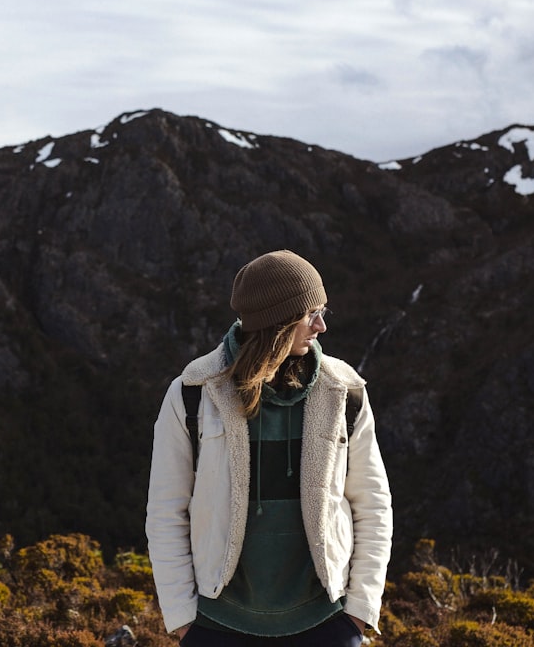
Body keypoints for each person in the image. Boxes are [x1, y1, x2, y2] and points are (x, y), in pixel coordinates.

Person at [146, 250, 392, 646]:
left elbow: (372, 505)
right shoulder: (193, 393)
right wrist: (182, 619)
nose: (322, 326)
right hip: (217, 624)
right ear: (278, 321)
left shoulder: (344, 392)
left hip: (325, 622)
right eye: (311, 313)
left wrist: (359, 613)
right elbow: (165, 510)